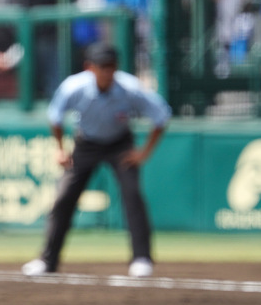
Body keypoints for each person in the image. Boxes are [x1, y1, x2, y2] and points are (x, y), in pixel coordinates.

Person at [21, 42, 171, 279]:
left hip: (120, 144)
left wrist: (144, 152)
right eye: (102, 67)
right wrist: (59, 149)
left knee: (132, 195)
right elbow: (55, 116)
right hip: (86, 143)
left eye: (111, 66)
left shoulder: (130, 88)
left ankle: (142, 258)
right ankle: (47, 260)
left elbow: (162, 116)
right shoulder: (74, 87)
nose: (107, 72)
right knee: (63, 198)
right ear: (90, 68)